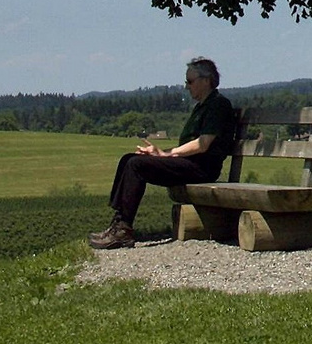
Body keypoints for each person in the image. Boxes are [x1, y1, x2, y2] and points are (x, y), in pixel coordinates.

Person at [89, 57, 235, 250]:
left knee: (136, 165)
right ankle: (118, 223)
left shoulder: (218, 105)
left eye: (190, 81)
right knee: (129, 159)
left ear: (206, 80)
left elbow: (203, 145)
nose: (186, 86)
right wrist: (160, 153)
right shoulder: (203, 106)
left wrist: (166, 154)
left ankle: (123, 230)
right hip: (190, 164)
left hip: (202, 168)